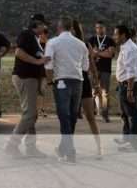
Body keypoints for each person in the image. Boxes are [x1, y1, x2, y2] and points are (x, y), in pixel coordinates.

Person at [4, 14, 50, 158]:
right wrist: (37, 62)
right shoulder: (27, 34)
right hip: (25, 77)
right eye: (43, 24)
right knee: (29, 115)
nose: (45, 27)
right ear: (37, 24)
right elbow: (18, 52)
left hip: (31, 79)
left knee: (32, 115)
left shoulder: (35, 39)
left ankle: (31, 148)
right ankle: (11, 145)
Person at [44, 17, 89, 163]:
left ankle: (70, 152)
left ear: (59, 27)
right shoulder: (81, 44)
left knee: (64, 117)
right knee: (72, 117)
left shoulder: (53, 42)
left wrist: (49, 82)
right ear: (71, 28)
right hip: (77, 82)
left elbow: (48, 65)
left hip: (61, 81)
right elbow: (85, 67)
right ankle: (64, 149)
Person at [71, 19, 103, 157]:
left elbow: (92, 65)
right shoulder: (70, 44)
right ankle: (68, 147)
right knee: (72, 117)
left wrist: (96, 84)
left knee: (89, 116)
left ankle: (99, 147)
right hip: (74, 80)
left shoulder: (84, 44)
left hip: (80, 80)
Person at [113, 24, 137, 152]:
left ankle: (133, 144)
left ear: (123, 35)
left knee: (132, 115)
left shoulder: (130, 49)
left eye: (116, 34)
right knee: (125, 114)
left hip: (129, 85)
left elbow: (131, 72)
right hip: (124, 84)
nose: (114, 37)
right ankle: (126, 138)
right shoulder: (125, 47)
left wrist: (130, 90)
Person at [87, 21, 116, 123]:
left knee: (105, 93)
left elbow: (110, 54)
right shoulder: (91, 40)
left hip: (105, 70)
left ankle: (105, 114)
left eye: (101, 27)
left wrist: (97, 52)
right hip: (93, 69)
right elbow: (89, 54)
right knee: (92, 92)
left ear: (105, 28)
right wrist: (103, 52)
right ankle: (92, 113)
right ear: (95, 29)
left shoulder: (110, 40)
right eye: (98, 27)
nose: (99, 29)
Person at [36, 25, 50, 118]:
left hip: (45, 70)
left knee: (43, 89)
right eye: (40, 34)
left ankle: (43, 109)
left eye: (43, 34)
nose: (41, 35)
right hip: (36, 69)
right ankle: (37, 109)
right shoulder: (36, 43)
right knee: (36, 90)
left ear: (46, 34)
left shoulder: (49, 44)